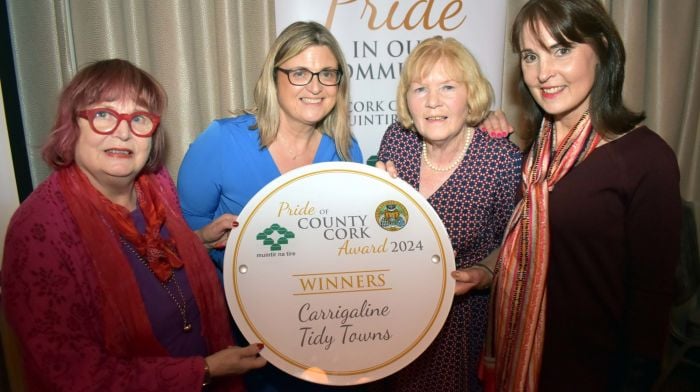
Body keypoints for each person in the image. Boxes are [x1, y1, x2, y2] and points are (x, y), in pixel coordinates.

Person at [1, 59, 266, 391]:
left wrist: (196, 241)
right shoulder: (39, 231)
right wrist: (205, 370)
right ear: (73, 125)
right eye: (103, 115)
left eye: (139, 118)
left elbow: (143, 259)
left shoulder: (155, 187)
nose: (123, 132)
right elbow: (73, 375)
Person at [481, 1, 681, 390]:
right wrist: (487, 272)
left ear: (602, 47)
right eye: (530, 56)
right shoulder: (537, 152)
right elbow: (536, 248)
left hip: (591, 370)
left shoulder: (646, 159)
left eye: (562, 50)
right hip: (521, 360)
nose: (543, 73)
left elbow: (651, 300)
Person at [177, 21, 364, 391]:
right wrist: (212, 244)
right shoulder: (222, 141)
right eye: (299, 72)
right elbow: (180, 238)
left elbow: (351, 242)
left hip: (322, 328)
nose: (315, 86)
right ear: (273, 77)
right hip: (239, 332)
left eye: (327, 73)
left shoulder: (345, 150)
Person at [374, 36, 522, 391]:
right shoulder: (396, 141)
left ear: (470, 94)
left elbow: (514, 246)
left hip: (460, 322)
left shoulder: (501, 160)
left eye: (448, 86)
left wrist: (483, 274)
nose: (433, 101)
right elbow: (381, 227)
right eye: (420, 88)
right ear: (407, 99)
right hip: (393, 308)